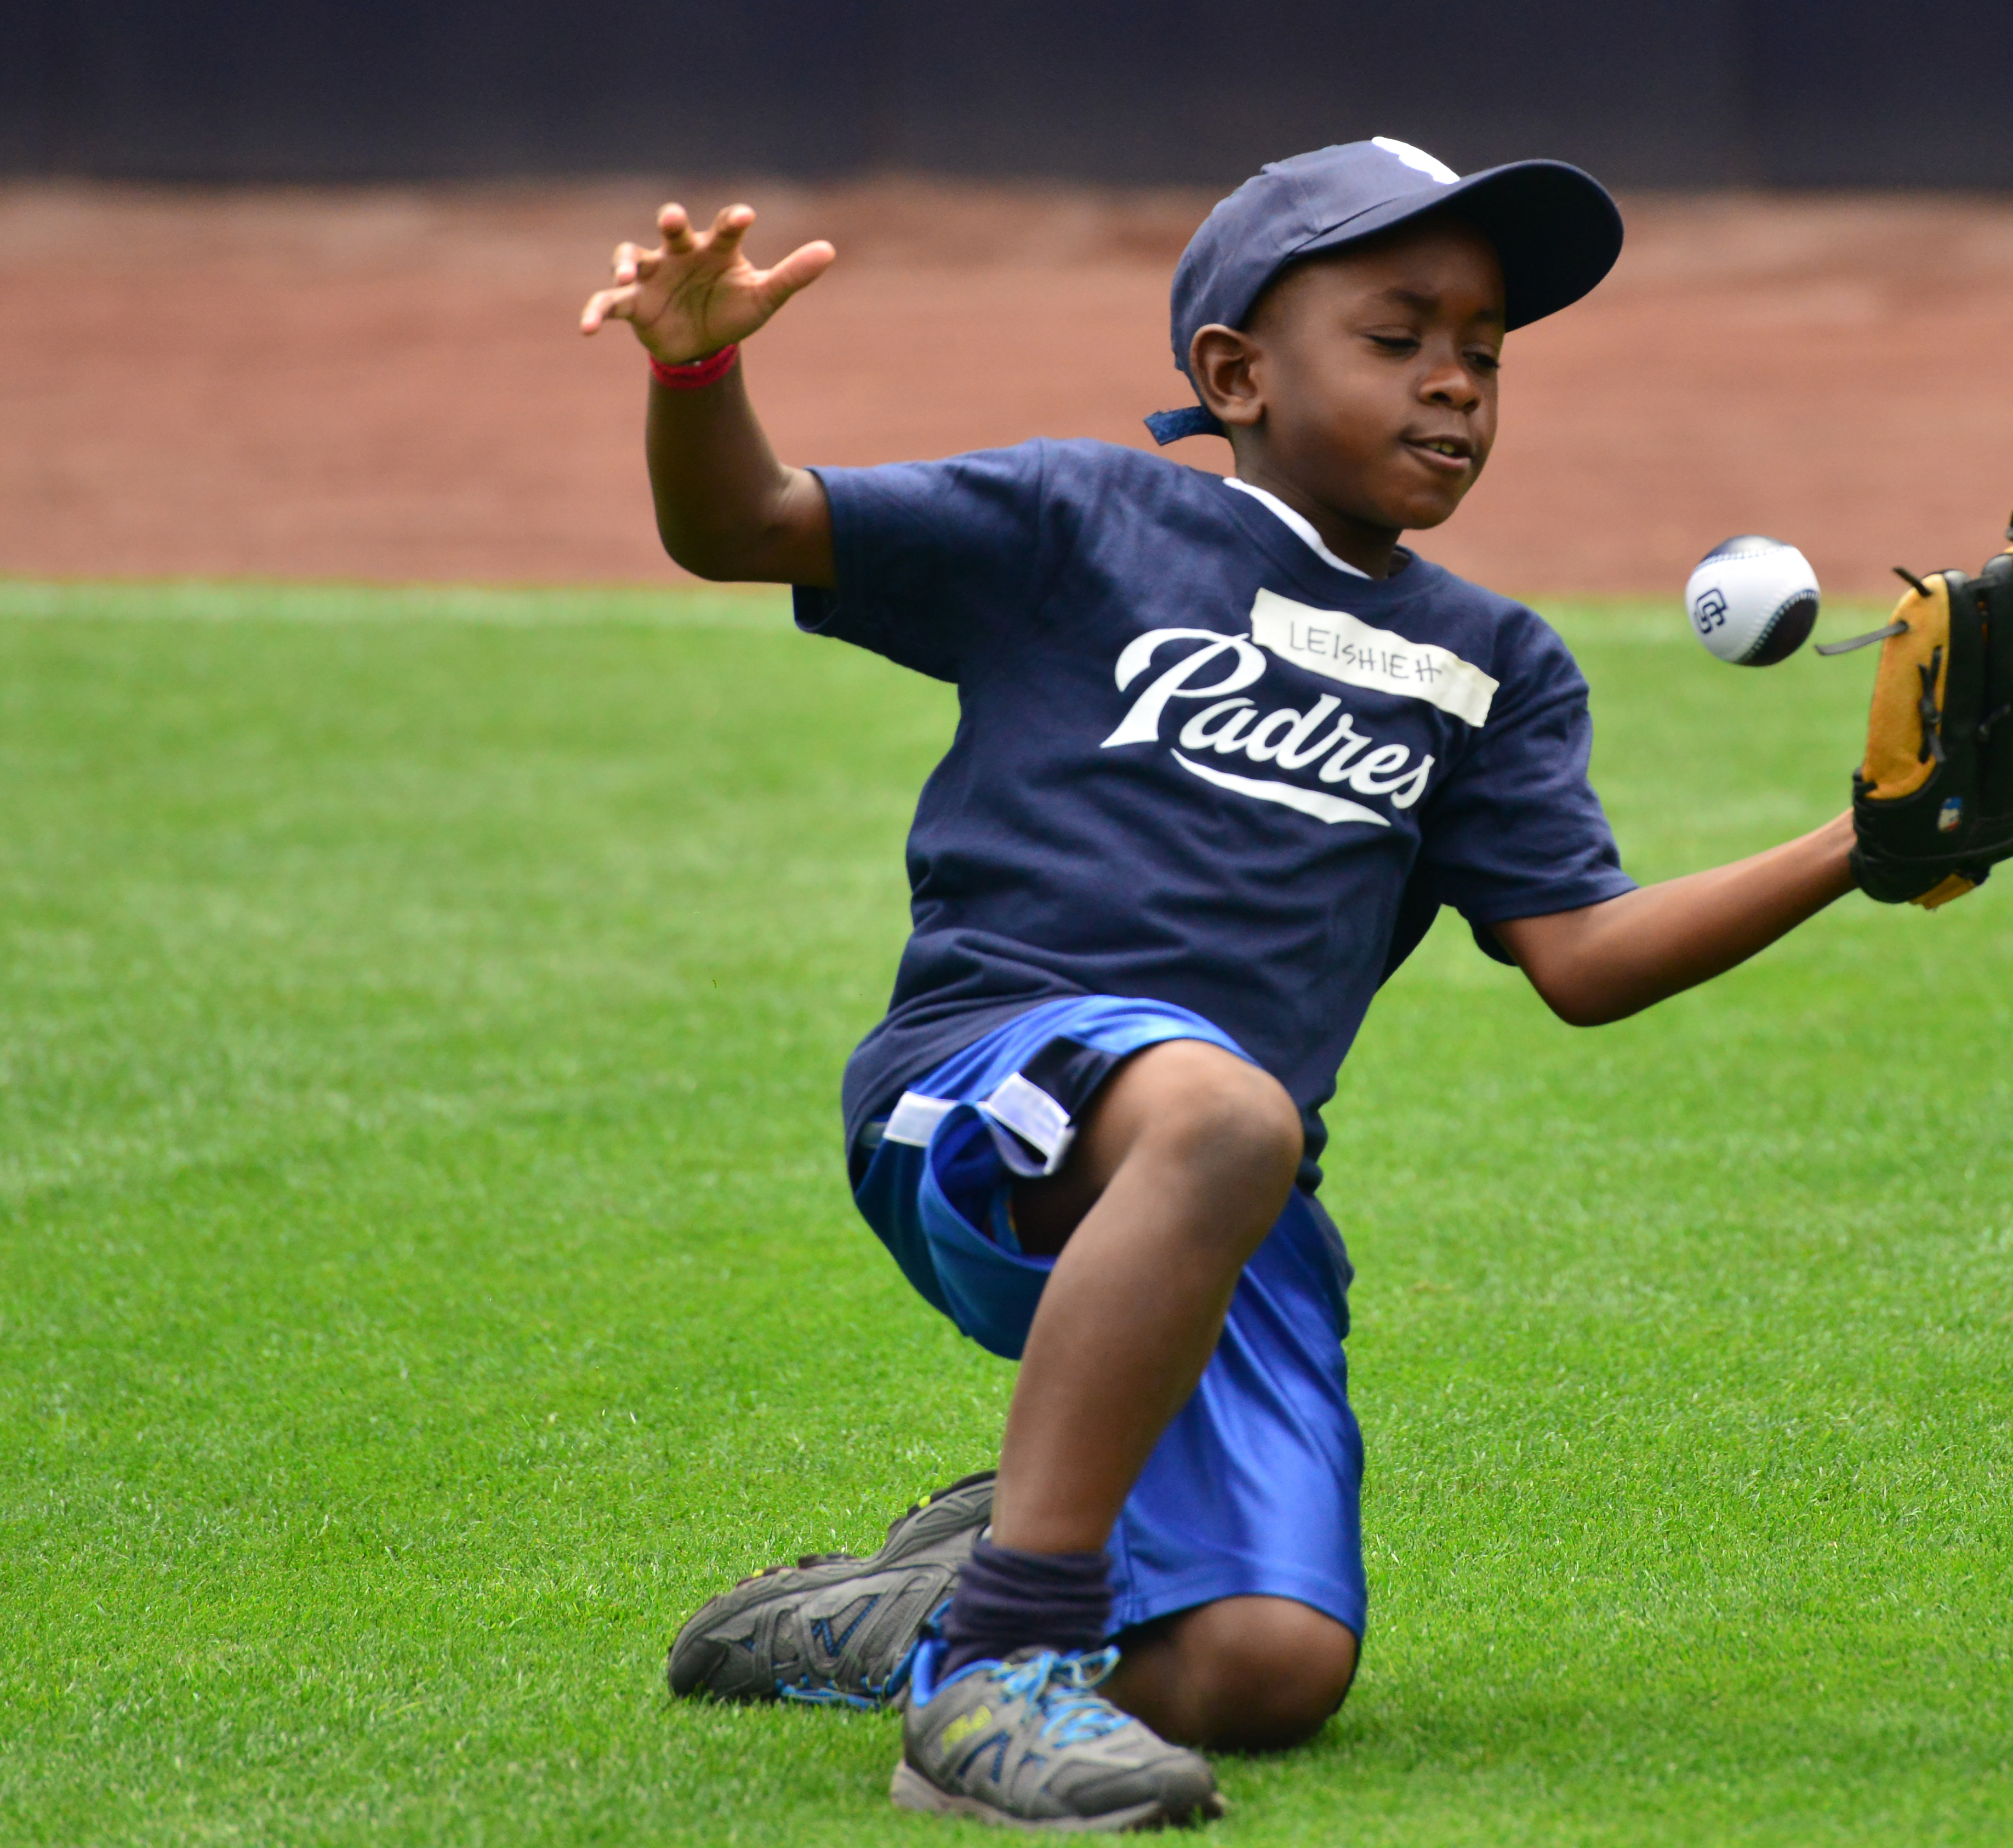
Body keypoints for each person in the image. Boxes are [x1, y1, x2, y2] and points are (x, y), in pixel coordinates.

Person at [579, 138, 1863, 1832]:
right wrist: (698, 366)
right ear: (1236, 374)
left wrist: (1871, 842)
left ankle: (930, 1606)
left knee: (1267, 1668)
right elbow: (739, 523)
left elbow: (1588, 959)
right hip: (983, 1088)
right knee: (1216, 1102)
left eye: (1485, 349)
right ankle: (1003, 1674)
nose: (1457, 383)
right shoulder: (1081, 518)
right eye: (1400, 334)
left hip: (1225, 1193)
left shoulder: (1492, 664)